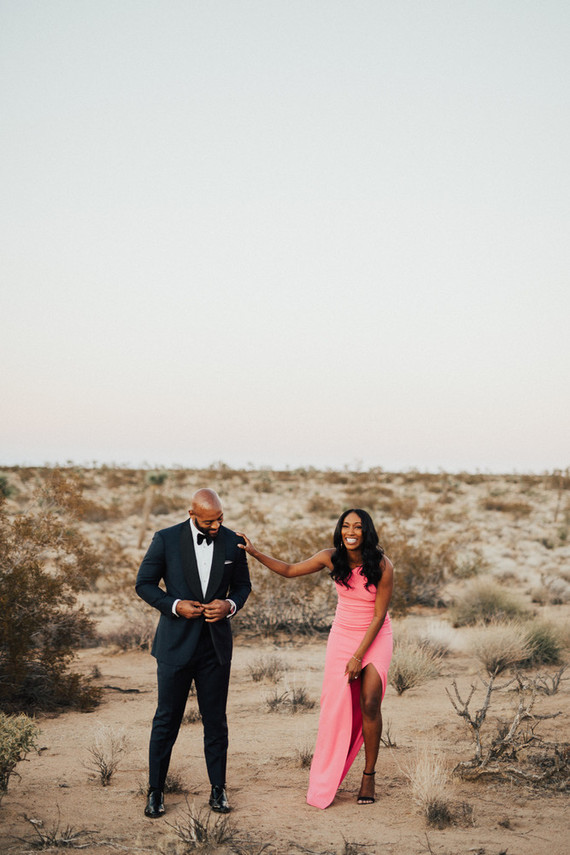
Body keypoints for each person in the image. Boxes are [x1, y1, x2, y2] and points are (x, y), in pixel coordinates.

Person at [238, 508, 393, 809]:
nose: (351, 532)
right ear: (340, 530)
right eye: (346, 526)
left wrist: (358, 656)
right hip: (342, 636)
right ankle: (327, 776)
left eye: (358, 527)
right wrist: (255, 553)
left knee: (371, 702)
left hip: (375, 636)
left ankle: (369, 775)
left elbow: (378, 616)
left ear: (367, 532)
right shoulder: (330, 558)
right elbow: (289, 570)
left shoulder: (383, 566)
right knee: (335, 708)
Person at [136, 488, 251, 818]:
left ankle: (218, 790)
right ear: (191, 514)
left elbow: (242, 586)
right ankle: (155, 791)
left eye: (219, 520)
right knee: (166, 720)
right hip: (174, 645)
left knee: (215, 721)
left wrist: (229, 605)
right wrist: (174, 605)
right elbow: (144, 584)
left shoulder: (232, 541)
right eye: (208, 522)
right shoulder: (166, 539)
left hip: (215, 647)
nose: (215, 527)